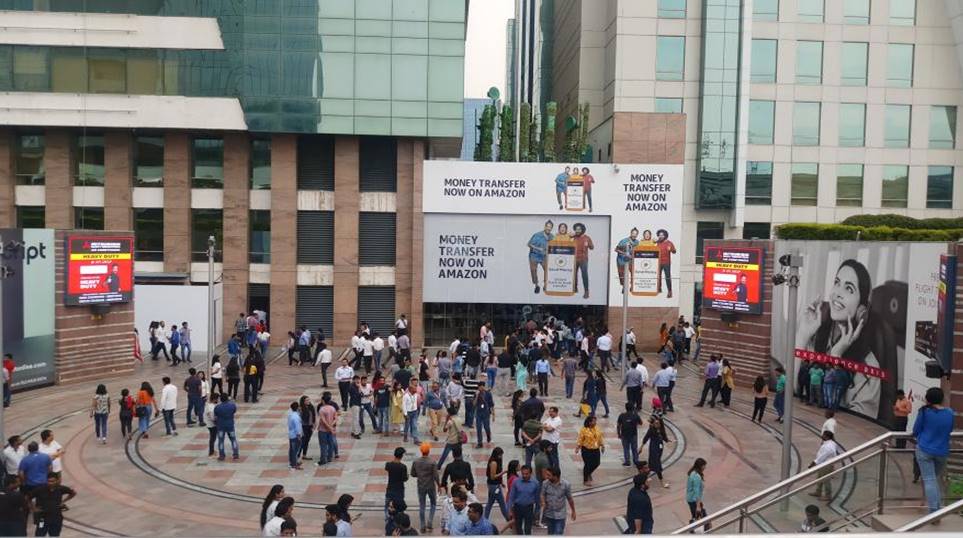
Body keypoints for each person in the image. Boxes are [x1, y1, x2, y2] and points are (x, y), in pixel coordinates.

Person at [912, 387, 954, 513]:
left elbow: (915, 430)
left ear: (928, 399)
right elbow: (950, 430)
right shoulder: (949, 413)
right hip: (942, 451)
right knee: (934, 480)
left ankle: (934, 511)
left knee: (929, 481)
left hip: (925, 449)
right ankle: (936, 509)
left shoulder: (924, 412)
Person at [28, 472, 75, 537]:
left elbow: (72, 493)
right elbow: (27, 498)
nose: (50, 483)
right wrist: (33, 508)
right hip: (42, 519)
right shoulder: (40, 489)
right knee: (39, 535)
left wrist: (64, 501)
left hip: (56, 518)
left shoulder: (61, 488)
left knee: (54, 535)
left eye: (52, 481)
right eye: (49, 481)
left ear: (57, 480)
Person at [411, 442, 439, 533]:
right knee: (433, 504)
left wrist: (420, 475)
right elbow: (436, 475)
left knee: (422, 505)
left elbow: (413, 474)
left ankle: (422, 525)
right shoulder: (432, 462)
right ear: (429, 451)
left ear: (421, 451)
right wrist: (439, 485)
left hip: (421, 486)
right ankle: (430, 522)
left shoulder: (416, 462)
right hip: (431, 486)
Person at [540, 467, 575, 535]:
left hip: (560, 515)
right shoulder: (545, 483)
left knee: (558, 533)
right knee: (550, 533)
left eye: (549, 475)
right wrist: (543, 502)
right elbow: (542, 494)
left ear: (555, 476)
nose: (546, 477)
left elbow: (570, 499)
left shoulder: (566, 485)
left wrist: (573, 511)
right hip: (549, 514)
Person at [808, 430, 841, 501]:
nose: (822, 436)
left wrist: (812, 464)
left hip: (826, 465)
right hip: (824, 464)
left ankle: (828, 496)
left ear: (827, 437)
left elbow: (821, 457)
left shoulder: (827, 447)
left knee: (826, 480)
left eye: (823, 435)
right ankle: (818, 492)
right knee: (819, 478)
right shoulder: (832, 443)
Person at [508, 465, 539, 535]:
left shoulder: (535, 483)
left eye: (526, 474)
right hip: (518, 507)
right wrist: (509, 509)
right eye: (523, 474)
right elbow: (511, 496)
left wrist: (537, 511)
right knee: (518, 527)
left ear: (531, 473)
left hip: (529, 508)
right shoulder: (516, 481)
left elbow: (537, 498)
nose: (524, 475)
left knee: (528, 528)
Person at [642, 416, 670, 488]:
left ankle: (644, 476)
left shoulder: (660, 429)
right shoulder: (651, 429)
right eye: (656, 423)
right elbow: (646, 438)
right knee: (657, 464)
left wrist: (667, 440)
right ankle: (662, 482)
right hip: (654, 448)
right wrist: (641, 447)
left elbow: (663, 436)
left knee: (652, 463)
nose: (657, 424)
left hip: (659, 448)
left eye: (658, 423)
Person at [575, 415, 604, 487]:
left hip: (596, 449)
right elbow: (580, 439)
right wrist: (578, 447)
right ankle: (585, 480)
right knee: (587, 464)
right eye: (594, 421)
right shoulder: (584, 429)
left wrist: (602, 445)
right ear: (589, 422)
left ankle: (588, 473)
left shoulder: (597, 429)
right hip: (586, 449)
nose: (595, 422)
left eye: (595, 421)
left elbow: (600, 437)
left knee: (597, 463)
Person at [527, 220, 554, 294]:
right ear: (545, 227)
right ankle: (536, 285)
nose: (548, 228)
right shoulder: (537, 235)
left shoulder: (552, 237)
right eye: (547, 226)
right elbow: (529, 244)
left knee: (547, 270)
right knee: (533, 271)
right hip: (534, 256)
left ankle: (545, 285)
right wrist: (538, 248)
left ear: (551, 228)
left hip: (543, 256)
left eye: (550, 227)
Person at [483, 447, 509, 522]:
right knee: (502, 503)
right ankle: (508, 519)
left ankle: (485, 519)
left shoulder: (497, 461)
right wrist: (503, 473)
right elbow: (493, 476)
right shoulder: (494, 463)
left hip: (494, 485)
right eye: (500, 455)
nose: (501, 457)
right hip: (494, 486)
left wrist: (501, 482)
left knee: (490, 503)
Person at [385, 447, 409, 523]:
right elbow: (404, 479)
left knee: (387, 506)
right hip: (399, 490)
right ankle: (398, 522)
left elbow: (387, 469)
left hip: (390, 489)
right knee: (399, 507)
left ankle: (388, 520)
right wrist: (407, 476)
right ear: (401, 456)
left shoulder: (388, 465)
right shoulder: (403, 467)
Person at [214, 395, 239, 461]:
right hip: (230, 425)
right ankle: (235, 454)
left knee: (221, 441)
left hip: (221, 426)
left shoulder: (217, 407)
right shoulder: (232, 405)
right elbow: (234, 411)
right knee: (233, 439)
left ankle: (222, 455)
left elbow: (216, 415)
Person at [617, 403, 643, 467]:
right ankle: (636, 460)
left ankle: (627, 461)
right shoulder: (635, 415)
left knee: (626, 448)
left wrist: (619, 433)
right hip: (633, 434)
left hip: (624, 434)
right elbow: (641, 423)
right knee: (634, 448)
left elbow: (618, 425)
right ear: (633, 408)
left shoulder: (621, 415)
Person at [686, 458, 708, 529]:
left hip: (691, 499)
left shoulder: (693, 472)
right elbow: (696, 492)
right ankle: (697, 529)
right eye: (704, 466)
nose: (705, 467)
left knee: (696, 515)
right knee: (701, 516)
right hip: (694, 500)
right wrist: (698, 506)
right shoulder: (696, 476)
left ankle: (695, 527)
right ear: (701, 466)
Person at [316, 393, 338, 465]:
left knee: (323, 445)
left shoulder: (322, 409)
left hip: (323, 430)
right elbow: (336, 418)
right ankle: (329, 458)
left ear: (323, 401)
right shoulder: (332, 408)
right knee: (330, 444)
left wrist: (329, 427)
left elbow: (323, 421)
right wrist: (331, 426)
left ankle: (323, 460)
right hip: (330, 430)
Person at [655, 229, 676, 298]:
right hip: (658, 262)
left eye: (662, 235)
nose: (660, 236)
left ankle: (670, 291)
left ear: (665, 236)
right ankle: (659, 288)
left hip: (666, 263)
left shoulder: (669, 243)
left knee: (667, 277)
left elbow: (674, 251)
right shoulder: (657, 242)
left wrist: (671, 249)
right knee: (658, 276)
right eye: (659, 235)